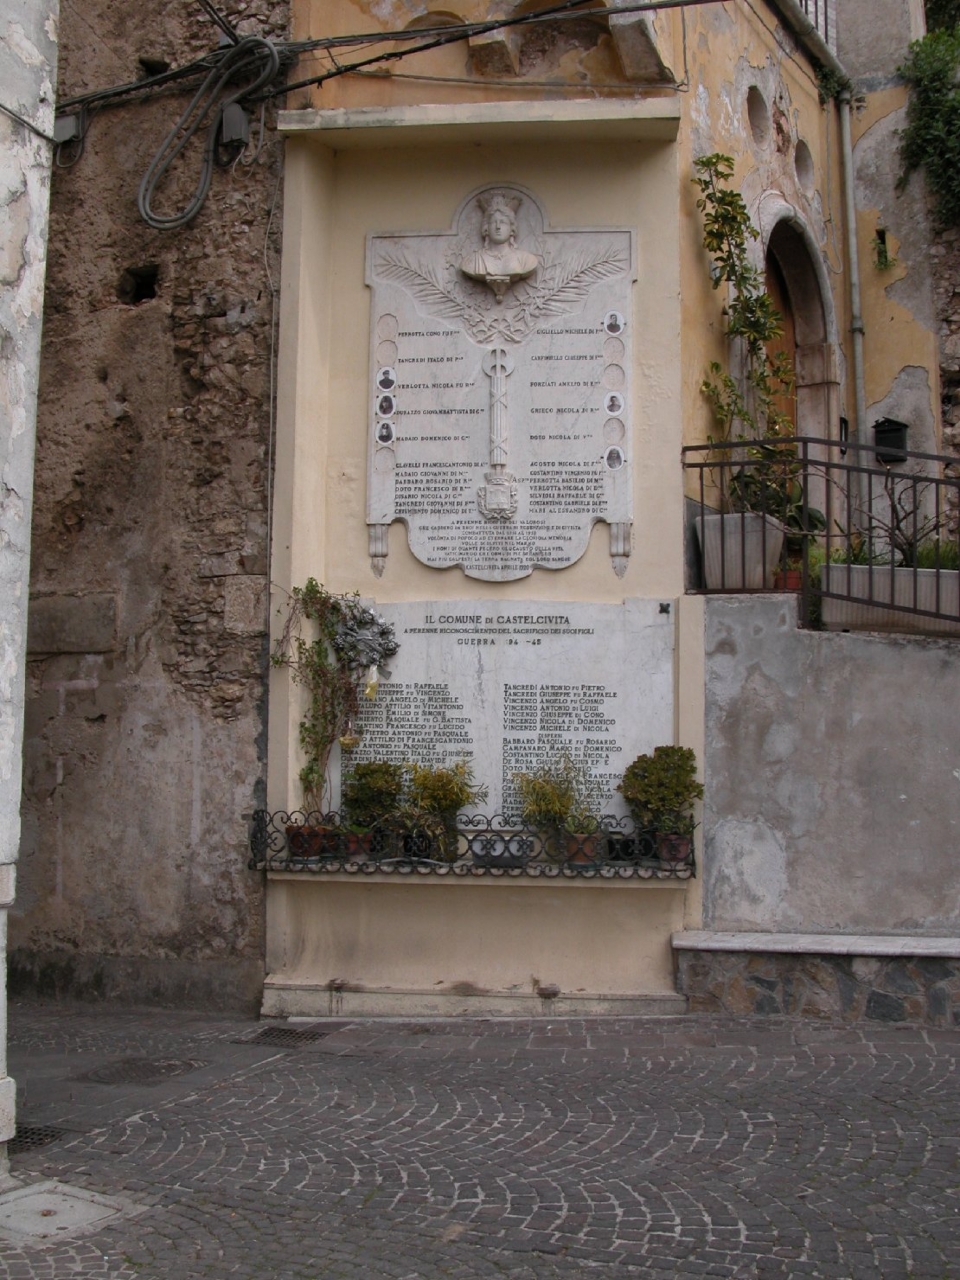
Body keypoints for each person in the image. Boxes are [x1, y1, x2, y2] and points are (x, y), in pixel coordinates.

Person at [460, 192, 540, 302]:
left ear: (512, 229)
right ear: (486, 228)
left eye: (503, 222)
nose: (498, 227)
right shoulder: (472, 262)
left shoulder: (526, 260)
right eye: (493, 222)